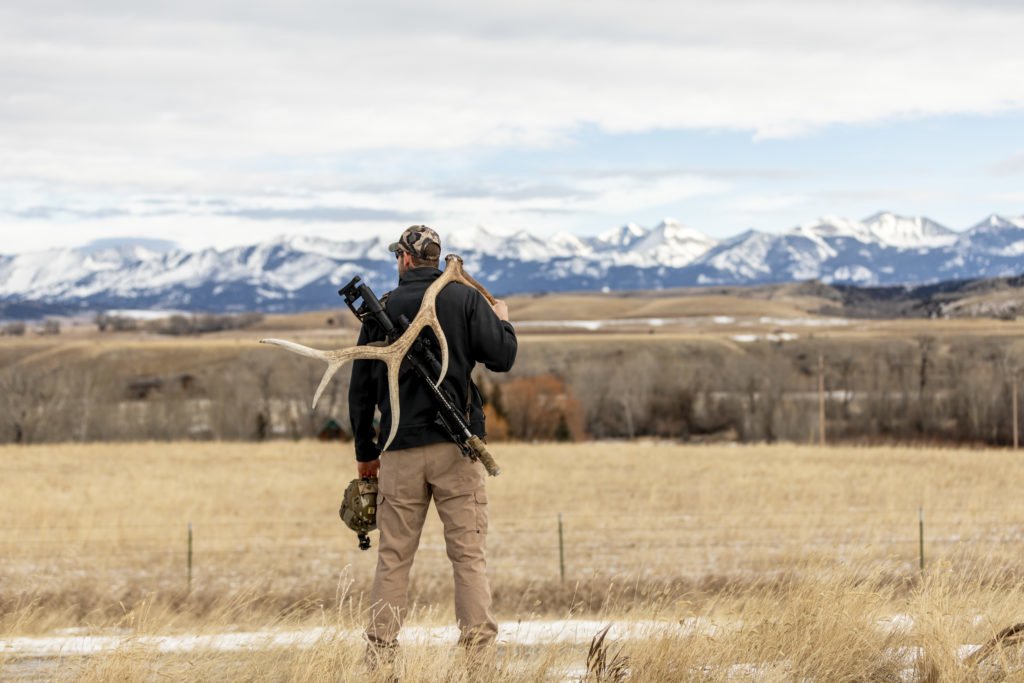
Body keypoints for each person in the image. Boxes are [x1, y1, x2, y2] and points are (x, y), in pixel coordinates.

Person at [348, 225, 517, 667]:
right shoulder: (464, 298)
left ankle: (379, 660)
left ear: (405, 259)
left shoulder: (382, 308)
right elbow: (502, 357)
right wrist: (501, 318)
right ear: (436, 259)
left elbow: (361, 392)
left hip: (399, 451)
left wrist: (366, 455)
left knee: (393, 559)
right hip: (457, 451)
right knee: (468, 556)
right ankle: (480, 661)